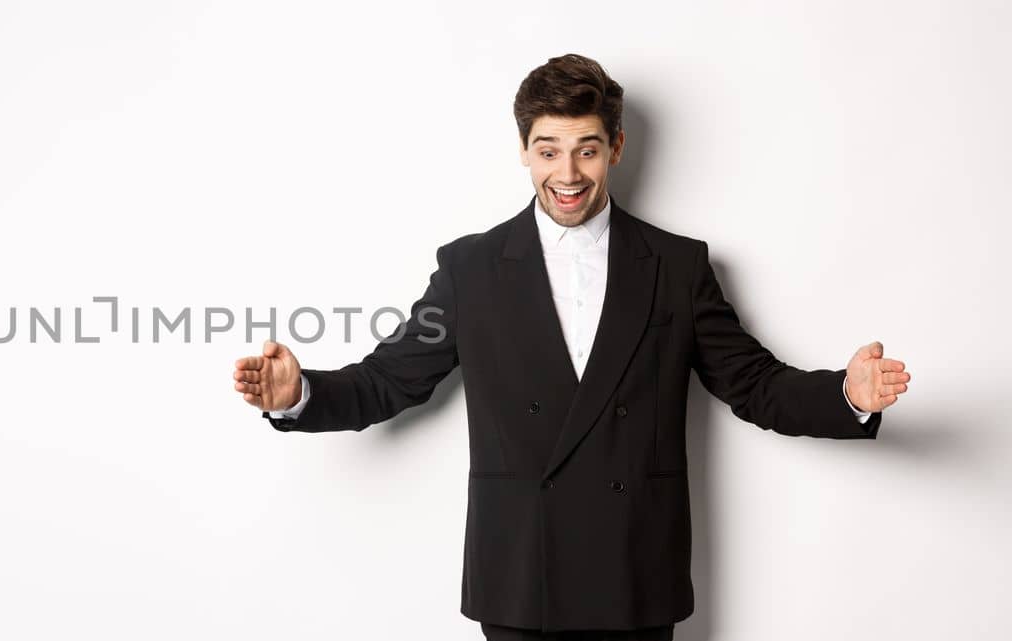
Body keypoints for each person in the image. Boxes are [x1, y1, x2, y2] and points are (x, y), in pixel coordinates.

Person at [229, 53, 911, 640]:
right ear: (523, 150)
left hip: (635, 570)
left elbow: (754, 383)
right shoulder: (469, 270)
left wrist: (845, 395)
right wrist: (301, 394)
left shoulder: (675, 266)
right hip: (524, 577)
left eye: (586, 148)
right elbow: (389, 380)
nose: (568, 172)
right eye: (549, 149)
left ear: (615, 147)